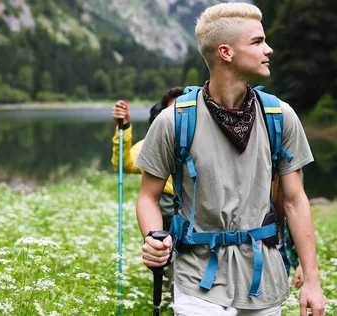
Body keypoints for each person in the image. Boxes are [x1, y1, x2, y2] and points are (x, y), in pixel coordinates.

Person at [134, 3, 325, 316]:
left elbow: (294, 200)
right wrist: (153, 239)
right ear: (226, 52)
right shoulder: (174, 121)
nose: (269, 49)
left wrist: (312, 280)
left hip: (263, 279)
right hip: (198, 279)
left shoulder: (280, 116)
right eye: (257, 42)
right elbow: (148, 197)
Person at [111, 87, 184, 232]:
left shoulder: (203, 140)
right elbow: (123, 164)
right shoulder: (153, 142)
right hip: (165, 205)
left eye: (182, 112)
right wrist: (124, 126)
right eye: (172, 111)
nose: (177, 117)